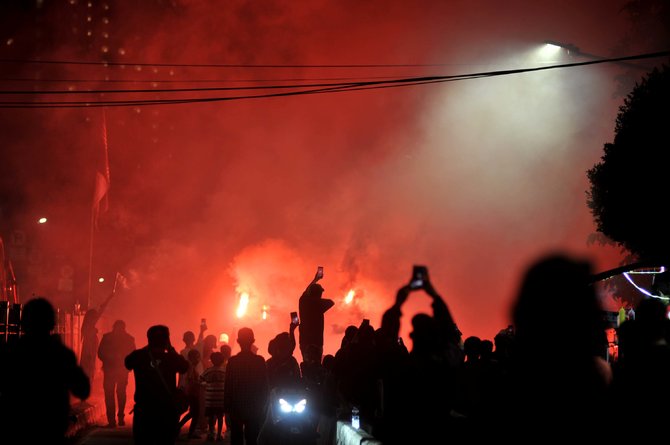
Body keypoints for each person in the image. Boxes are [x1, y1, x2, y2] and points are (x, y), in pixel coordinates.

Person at [0, 297, 90, 445]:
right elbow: (82, 389)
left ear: (24, 323)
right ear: (52, 324)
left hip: (18, 425)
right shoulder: (61, 354)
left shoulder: (12, 351)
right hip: (50, 426)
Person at [125, 324, 189, 445]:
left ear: (148, 339)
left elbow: (127, 363)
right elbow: (184, 367)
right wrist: (171, 349)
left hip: (144, 410)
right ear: (167, 340)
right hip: (166, 411)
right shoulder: (171, 358)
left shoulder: (139, 356)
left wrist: (147, 348)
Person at [224, 327, 269, 445]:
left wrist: (227, 408)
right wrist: (263, 404)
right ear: (253, 341)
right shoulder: (259, 361)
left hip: (236, 406)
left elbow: (228, 386)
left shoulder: (232, 362)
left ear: (238, 341)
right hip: (254, 406)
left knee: (236, 439)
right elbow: (264, 385)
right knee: (252, 438)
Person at [97, 319, 136, 427]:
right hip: (121, 370)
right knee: (120, 393)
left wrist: (108, 359)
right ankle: (119, 418)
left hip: (111, 369)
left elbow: (100, 353)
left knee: (110, 394)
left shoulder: (107, 337)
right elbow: (133, 354)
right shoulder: (129, 338)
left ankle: (112, 420)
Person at [298, 269, 335, 363]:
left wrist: (315, 279)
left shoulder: (303, 302)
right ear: (319, 294)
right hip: (317, 342)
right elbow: (331, 302)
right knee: (316, 365)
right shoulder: (319, 304)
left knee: (306, 365)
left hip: (304, 341)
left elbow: (306, 292)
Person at [201, 351, 227, 441]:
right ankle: (219, 435)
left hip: (210, 398)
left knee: (211, 417)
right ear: (223, 360)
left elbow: (201, 379)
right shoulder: (225, 371)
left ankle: (211, 434)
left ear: (211, 360)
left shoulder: (208, 370)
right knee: (220, 417)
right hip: (221, 398)